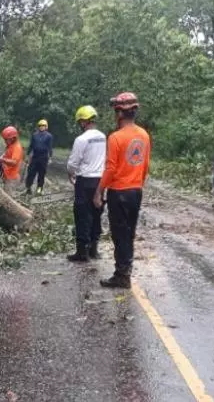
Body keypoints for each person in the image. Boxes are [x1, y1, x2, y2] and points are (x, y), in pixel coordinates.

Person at [93, 92, 151, 289]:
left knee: (119, 234)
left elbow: (110, 168)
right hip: (135, 191)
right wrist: (138, 183)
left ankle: (122, 275)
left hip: (119, 191)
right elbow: (145, 165)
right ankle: (125, 271)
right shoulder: (143, 135)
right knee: (129, 232)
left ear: (119, 113)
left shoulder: (115, 137)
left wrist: (99, 191)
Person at [66, 106, 106, 262]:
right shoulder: (103, 137)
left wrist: (70, 173)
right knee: (97, 213)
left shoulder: (81, 139)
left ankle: (82, 252)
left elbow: (73, 162)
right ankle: (94, 249)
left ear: (83, 121)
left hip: (85, 180)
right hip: (100, 180)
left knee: (82, 215)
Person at [25, 119, 54, 195]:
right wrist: (27, 155)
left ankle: (39, 190)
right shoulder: (34, 135)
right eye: (40, 126)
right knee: (31, 173)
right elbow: (31, 146)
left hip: (44, 158)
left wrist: (50, 157)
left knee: (41, 175)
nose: (41, 127)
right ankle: (28, 188)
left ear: (46, 127)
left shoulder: (49, 136)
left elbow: (50, 147)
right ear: (38, 127)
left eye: (43, 126)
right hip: (35, 157)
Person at [0, 126, 25, 194]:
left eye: (6, 139)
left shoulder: (17, 147)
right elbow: (8, 154)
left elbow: (14, 162)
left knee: (7, 198)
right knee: (5, 193)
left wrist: (2, 159)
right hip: (7, 175)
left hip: (12, 178)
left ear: (13, 138)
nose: (5, 141)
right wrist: (3, 156)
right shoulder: (11, 145)